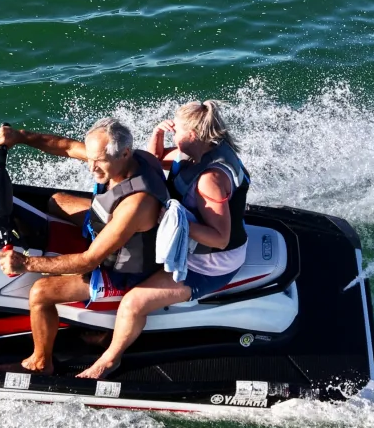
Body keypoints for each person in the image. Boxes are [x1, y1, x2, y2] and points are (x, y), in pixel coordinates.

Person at [77, 100, 250, 380]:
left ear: (192, 136)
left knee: (134, 301)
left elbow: (220, 238)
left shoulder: (211, 179)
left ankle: (109, 360)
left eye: (175, 132)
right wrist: (157, 134)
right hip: (192, 240)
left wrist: (172, 219)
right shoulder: (197, 152)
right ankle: (104, 324)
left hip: (211, 262)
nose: (173, 136)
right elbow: (153, 162)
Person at [0, 117, 169, 374]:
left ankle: (41, 363)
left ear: (125, 153)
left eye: (100, 162)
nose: (92, 168)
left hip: (122, 271)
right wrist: (20, 136)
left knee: (40, 293)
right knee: (56, 201)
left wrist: (25, 263)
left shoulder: (136, 203)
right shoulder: (120, 159)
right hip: (106, 228)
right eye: (91, 159)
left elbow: (90, 260)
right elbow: (68, 147)